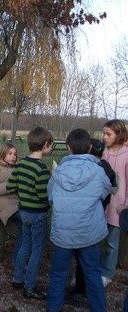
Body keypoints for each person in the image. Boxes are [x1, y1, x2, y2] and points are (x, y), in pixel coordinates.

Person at [46, 129, 111, 312]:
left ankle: (53, 307)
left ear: (68, 148)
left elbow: (50, 199)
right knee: (93, 273)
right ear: (90, 147)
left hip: (63, 233)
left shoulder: (57, 173)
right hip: (89, 232)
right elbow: (105, 192)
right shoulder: (98, 172)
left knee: (58, 274)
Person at [7, 126, 52, 300]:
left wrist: (23, 195)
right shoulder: (41, 169)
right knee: (37, 250)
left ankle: (17, 279)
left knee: (25, 245)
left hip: (23, 212)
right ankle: (30, 287)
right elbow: (44, 197)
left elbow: (11, 186)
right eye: (51, 145)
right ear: (45, 145)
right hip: (37, 215)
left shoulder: (21, 163)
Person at [71, 138, 118, 298]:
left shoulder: (89, 168)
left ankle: (80, 288)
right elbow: (109, 190)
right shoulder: (107, 168)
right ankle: (90, 291)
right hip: (97, 217)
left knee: (82, 254)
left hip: (84, 216)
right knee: (91, 256)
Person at [101, 119, 128, 287]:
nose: (104, 137)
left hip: (118, 207)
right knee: (98, 239)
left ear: (118, 135)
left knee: (112, 242)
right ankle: (96, 268)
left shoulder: (127, 154)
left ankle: (107, 274)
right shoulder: (105, 152)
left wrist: (125, 206)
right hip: (102, 204)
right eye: (103, 133)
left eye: (108, 134)